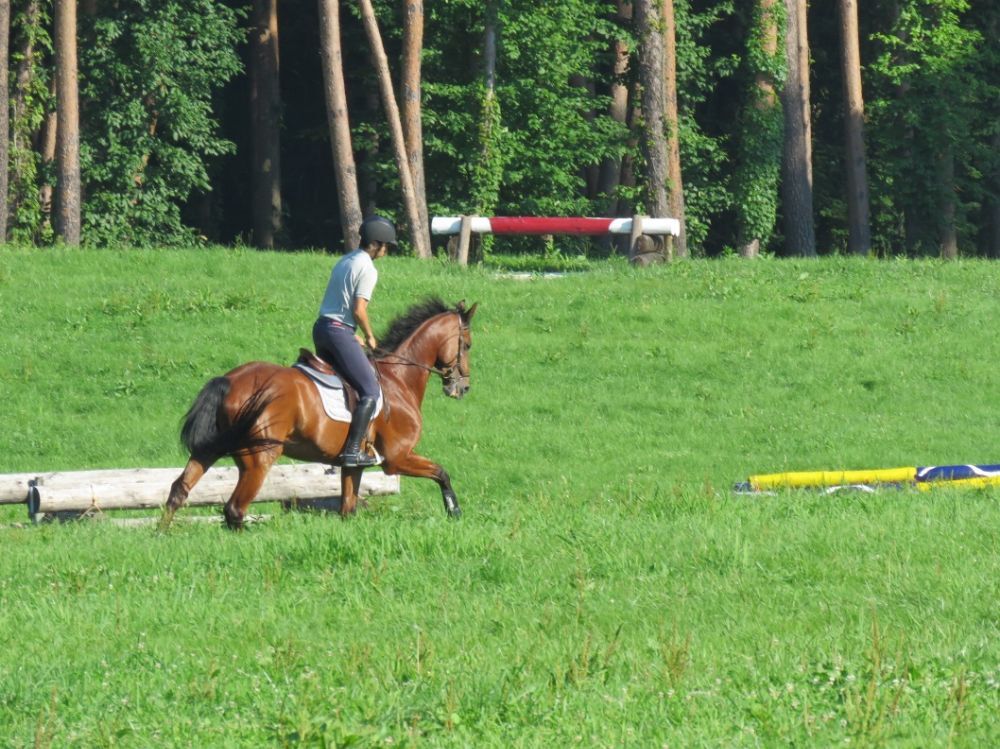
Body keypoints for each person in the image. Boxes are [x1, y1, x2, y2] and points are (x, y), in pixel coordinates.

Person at [312, 215, 396, 466]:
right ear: (378, 244)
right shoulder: (368, 268)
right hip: (338, 332)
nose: (387, 250)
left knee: (344, 383)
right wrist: (370, 336)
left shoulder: (345, 260)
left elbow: (339, 305)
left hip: (323, 329)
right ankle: (351, 450)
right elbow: (359, 309)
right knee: (370, 389)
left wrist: (350, 335)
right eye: (387, 246)